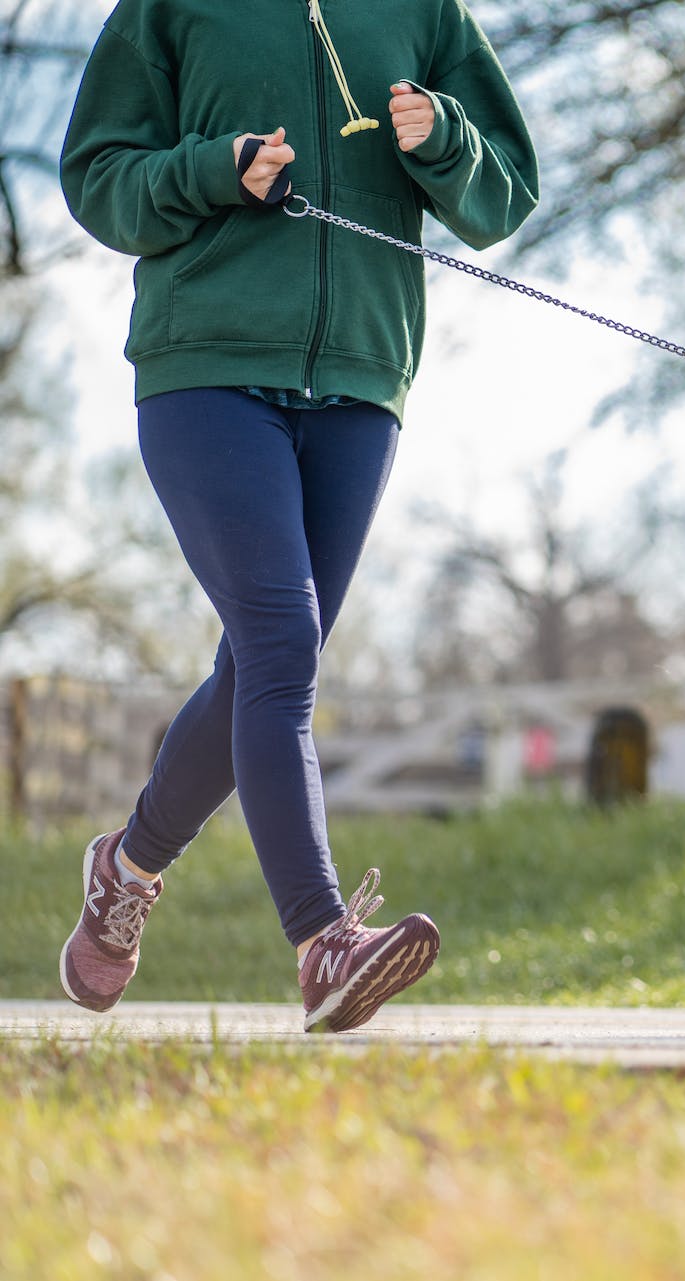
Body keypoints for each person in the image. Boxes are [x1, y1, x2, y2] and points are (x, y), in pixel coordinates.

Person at [57, 0, 538, 1031]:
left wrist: (445, 139)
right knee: (282, 646)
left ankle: (127, 868)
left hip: (362, 382)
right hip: (207, 373)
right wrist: (209, 170)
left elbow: (503, 196)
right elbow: (98, 179)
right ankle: (325, 942)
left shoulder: (422, 12)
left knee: (259, 664)